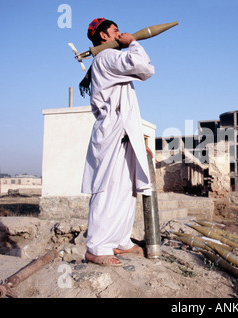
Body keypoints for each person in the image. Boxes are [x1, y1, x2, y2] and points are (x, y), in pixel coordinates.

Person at [80, 18, 155, 266]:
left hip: (123, 136)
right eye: (114, 30)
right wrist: (132, 42)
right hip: (112, 136)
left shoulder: (107, 60)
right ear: (103, 37)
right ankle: (97, 248)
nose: (120, 32)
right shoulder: (106, 58)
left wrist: (138, 140)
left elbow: (127, 107)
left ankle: (120, 242)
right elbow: (145, 68)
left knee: (126, 191)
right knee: (107, 191)